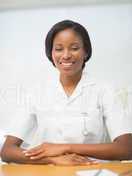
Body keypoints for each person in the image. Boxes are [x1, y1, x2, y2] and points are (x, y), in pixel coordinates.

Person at [1, 20, 132, 165]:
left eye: (74, 48)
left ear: (86, 51)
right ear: (51, 53)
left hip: (93, 174)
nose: (66, 55)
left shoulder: (105, 90)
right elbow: (7, 151)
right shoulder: (37, 92)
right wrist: (52, 159)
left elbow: (127, 148)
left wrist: (64, 147)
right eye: (58, 49)